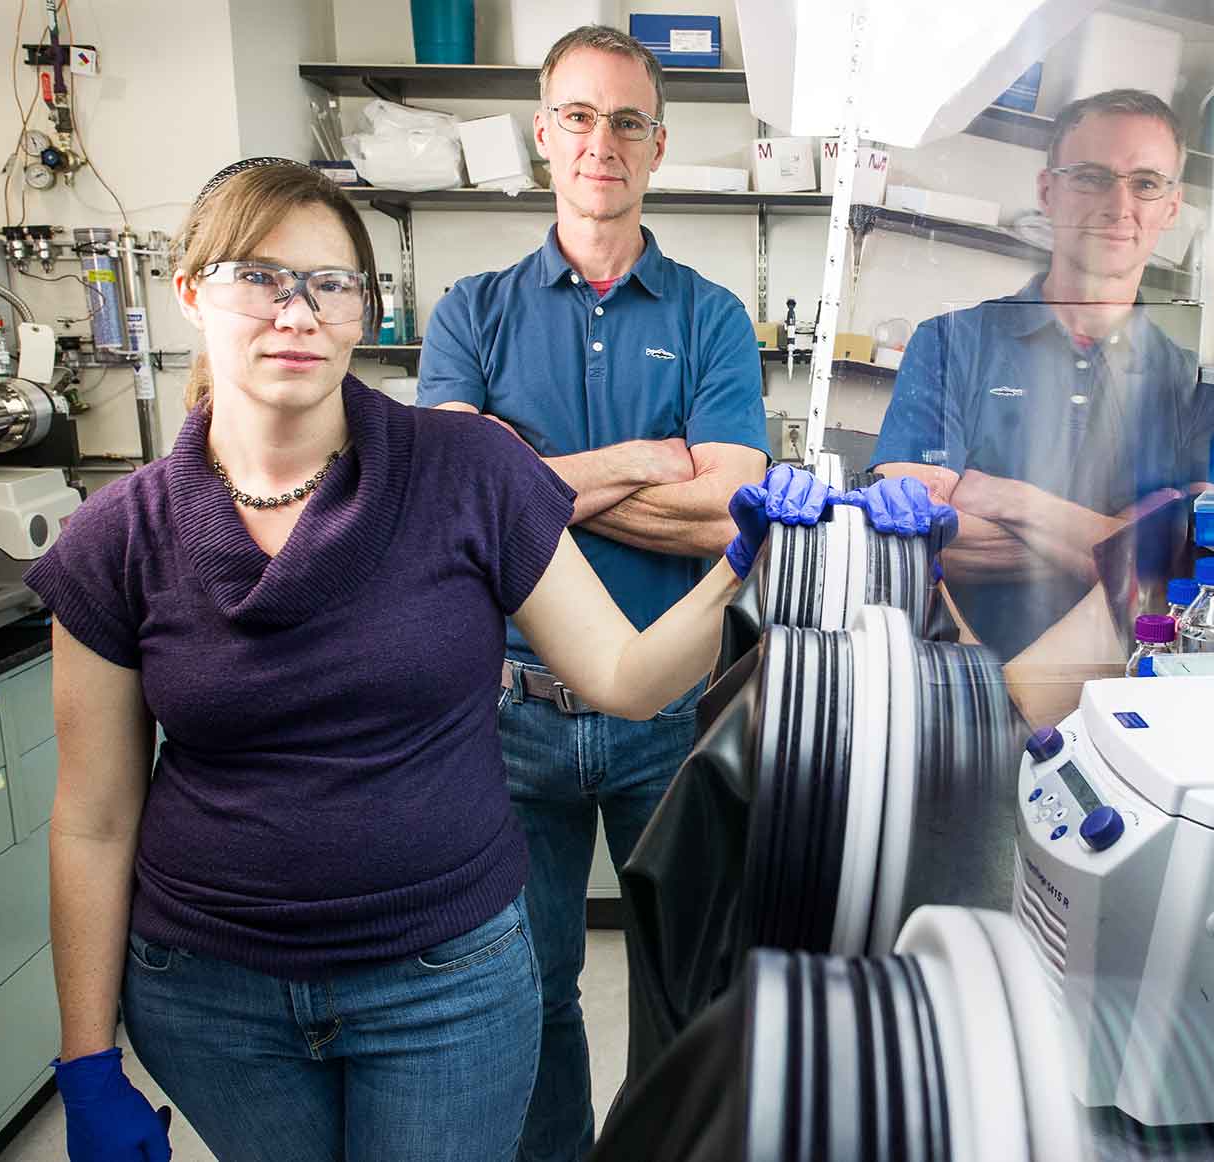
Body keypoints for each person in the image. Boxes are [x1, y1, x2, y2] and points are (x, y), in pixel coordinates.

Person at [27, 156, 952, 1162]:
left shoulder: (463, 473)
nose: (296, 313)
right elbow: (93, 817)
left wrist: (746, 560)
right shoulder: (117, 537)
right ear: (190, 290)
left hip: (443, 987)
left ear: (363, 311)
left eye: (330, 284)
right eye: (260, 276)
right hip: (210, 994)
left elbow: (628, 678)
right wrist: (86, 1053)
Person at [415, 27, 771, 1161]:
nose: (600, 141)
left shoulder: (709, 313)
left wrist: (524, 473)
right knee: (532, 991)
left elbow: (729, 510)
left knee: (692, 984)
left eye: (626, 120)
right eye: (578, 115)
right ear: (542, 134)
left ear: (658, 146)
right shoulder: (472, 311)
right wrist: (644, 458)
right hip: (509, 709)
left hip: (669, 706)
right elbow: (448, 501)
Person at [870, 89, 1214, 664]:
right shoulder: (950, 343)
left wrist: (1006, 497)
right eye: (1091, 177)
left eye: (1146, 183)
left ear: (1172, 207)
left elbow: (1180, 568)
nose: (1119, 205)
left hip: (1124, 696)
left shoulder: (1199, 388)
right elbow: (911, 534)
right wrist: (1115, 539)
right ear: (1048, 191)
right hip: (950, 681)